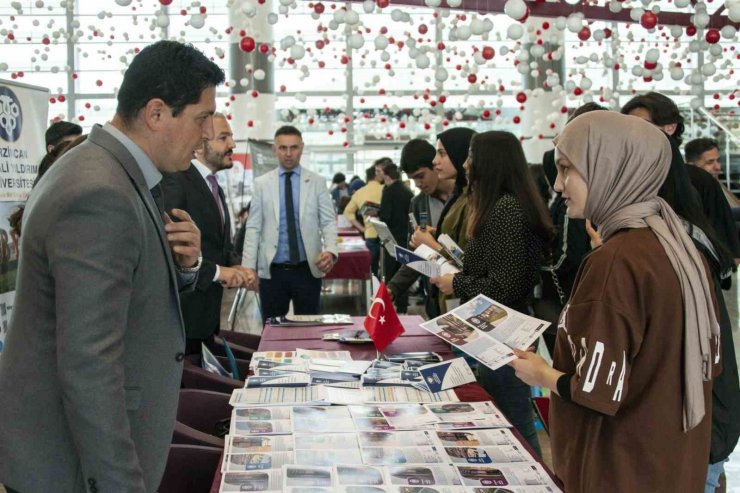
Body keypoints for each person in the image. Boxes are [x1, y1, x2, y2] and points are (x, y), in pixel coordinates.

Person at [0, 40, 219, 492]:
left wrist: (183, 268)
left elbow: (128, 296)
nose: (206, 134)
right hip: (74, 467)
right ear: (156, 113)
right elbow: (89, 366)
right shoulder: (101, 193)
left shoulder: (114, 173)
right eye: (202, 118)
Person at [510, 111, 721, 492]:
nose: (558, 185)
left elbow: (597, 389)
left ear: (610, 167)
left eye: (568, 169)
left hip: (618, 463)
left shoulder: (617, 261)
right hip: (671, 457)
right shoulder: (678, 247)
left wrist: (541, 374)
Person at [430, 131, 554, 455]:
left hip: (506, 331)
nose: (467, 164)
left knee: (513, 417)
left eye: (472, 156)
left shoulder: (506, 211)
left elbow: (506, 286)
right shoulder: (501, 207)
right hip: (496, 329)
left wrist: (455, 283)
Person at [161, 112, 249, 354]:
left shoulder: (213, 185)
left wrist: (237, 266)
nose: (232, 144)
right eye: (223, 138)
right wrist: (221, 272)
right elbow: (172, 250)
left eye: (231, 136)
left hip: (207, 319)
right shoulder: (177, 182)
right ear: (200, 145)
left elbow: (215, 244)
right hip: (184, 322)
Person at [622, 92, 740, 262]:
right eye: (628, 126)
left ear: (670, 127)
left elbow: (725, 244)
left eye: (644, 125)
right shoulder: (624, 178)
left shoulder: (699, 181)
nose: (634, 133)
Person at [243, 125, 338, 320]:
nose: (288, 154)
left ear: (302, 148)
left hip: (308, 270)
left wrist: (330, 250)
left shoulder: (317, 182)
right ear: (274, 149)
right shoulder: (262, 184)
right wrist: (248, 268)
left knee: (309, 329)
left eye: (294, 147)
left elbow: (328, 221)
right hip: (272, 272)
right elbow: (253, 227)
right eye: (283, 148)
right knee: (271, 330)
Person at [411, 127, 475, 313]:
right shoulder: (461, 195)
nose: (435, 161)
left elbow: (468, 262)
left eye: (442, 154)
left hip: (466, 300)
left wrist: (432, 245)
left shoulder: (473, 201)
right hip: (450, 297)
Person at [388, 139, 454, 318]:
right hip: (436, 299)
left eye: (420, 175)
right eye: (412, 179)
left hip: (468, 293)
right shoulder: (417, 205)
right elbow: (416, 256)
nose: (417, 184)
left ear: (435, 166)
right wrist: (392, 288)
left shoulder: (465, 199)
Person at [378, 160, 413, 311]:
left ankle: (388, 308)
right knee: (405, 273)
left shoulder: (388, 191)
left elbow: (386, 215)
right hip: (407, 237)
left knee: (391, 275)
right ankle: (403, 307)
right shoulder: (407, 191)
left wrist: (377, 212)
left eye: (379, 172)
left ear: (386, 175)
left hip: (391, 238)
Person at [343, 162, 385, 276]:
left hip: (370, 234)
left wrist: (362, 228)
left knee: (372, 269)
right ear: (376, 175)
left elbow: (347, 212)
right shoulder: (385, 189)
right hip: (387, 235)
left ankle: (373, 291)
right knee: (388, 270)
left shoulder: (360, 192)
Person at [686, 137, 740, 208]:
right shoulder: (692, 194)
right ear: (692, 166)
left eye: (718, 160)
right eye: (710, 162)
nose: (718, 167)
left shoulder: (718, 181)